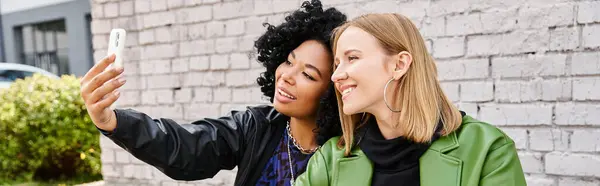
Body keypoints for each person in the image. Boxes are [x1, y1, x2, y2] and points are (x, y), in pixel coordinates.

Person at [78, 1, 347, 185]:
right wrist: (112, 121)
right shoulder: (257, 127)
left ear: (332, 90)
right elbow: (186, 147)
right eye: (288, 61)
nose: (287, 75)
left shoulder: (350, 151)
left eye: (308, 75)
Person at [295, 13, 526, 186]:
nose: (336, 76)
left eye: (352, 58)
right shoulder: (330, 159)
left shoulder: (487, 150)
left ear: (400, 64)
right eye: (336, 64)